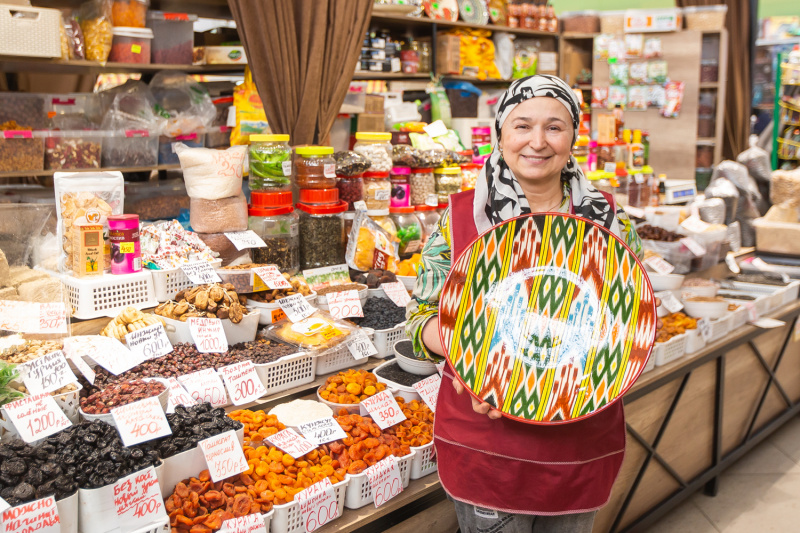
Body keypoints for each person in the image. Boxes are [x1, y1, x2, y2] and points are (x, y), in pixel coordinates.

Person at [406, 75, 644, 532]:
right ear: (500, 133)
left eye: (555, 127)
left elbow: (631, 324)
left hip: (581, 443)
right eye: (522, 126)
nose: (538, 142)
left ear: (574, 135)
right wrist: (476, 363)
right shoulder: (460, 220)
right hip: (489, 446)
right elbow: (419, 323)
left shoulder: (609, 222)